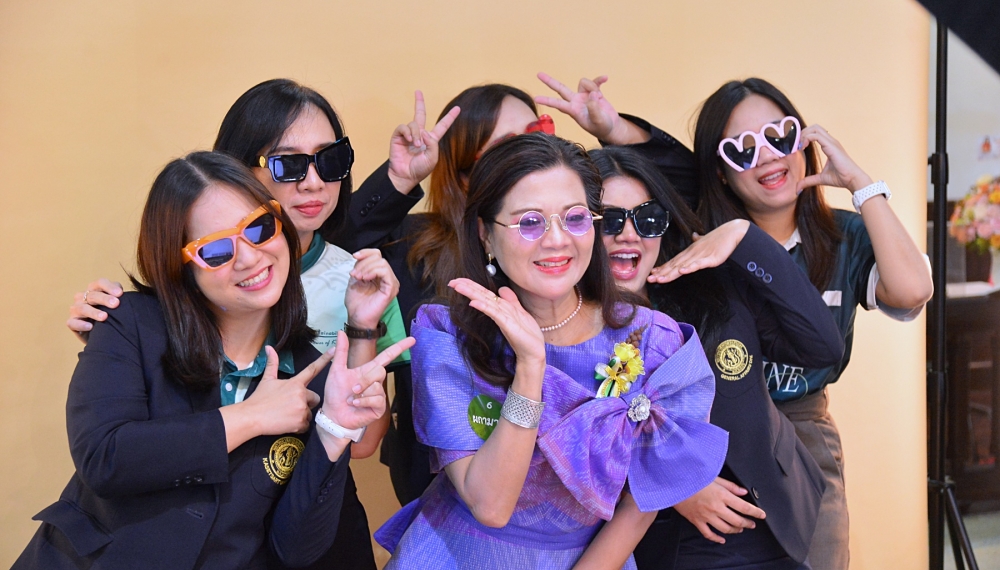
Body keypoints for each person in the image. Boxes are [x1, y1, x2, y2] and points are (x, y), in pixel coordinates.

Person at [539, 74, 933, 570]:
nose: (765, 155)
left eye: (780, 136)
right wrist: (615, 129)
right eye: (741, 149)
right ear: (719, 172)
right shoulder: (694, 250)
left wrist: (858, 186)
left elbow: (895, 301)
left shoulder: (812, 243)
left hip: (786, 441)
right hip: (681, 486)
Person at [62, 78, 435, 569]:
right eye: (217, 249)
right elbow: (107, 456)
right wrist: (253, 415)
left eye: (260, 229)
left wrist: (334, 417)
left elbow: (310, 515)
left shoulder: (348, 299)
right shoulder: (135, 320)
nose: (249, 257)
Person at [373, 133, 728, 569]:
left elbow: (641, 503)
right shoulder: (449, 335)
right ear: (485, 234)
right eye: (530, 222)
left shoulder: (652, 338)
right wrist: (530, 365)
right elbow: (490, 505)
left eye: (575, 218)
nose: (557, 240)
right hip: (456, 555)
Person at [589, 146, 843, 569]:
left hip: (775, 518)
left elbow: (822, 347)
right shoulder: (566, 322)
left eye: (647, 218)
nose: (629, 234)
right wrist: (677, 485)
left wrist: (747, 237)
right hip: (666, 540)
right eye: (610, 220)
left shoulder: (710, 286)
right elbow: (571, 443)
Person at [348, 83, 555, 504]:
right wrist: (400, 178)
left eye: (538, 135)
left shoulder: (567, 239)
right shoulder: (415, 249)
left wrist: (615, 132)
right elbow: (340, 244)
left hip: (558, 479)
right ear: (463, 176)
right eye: (508, 149)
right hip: (438, 483)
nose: (530, 158)